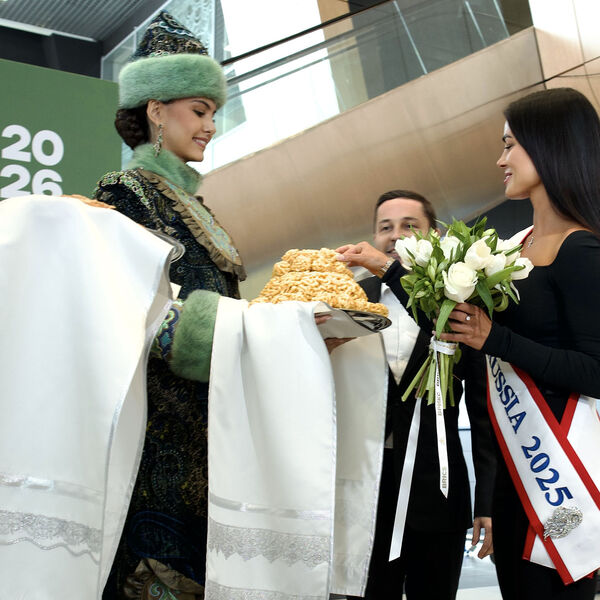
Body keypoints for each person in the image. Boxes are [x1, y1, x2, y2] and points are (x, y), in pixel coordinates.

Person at [94, 12, 245, 599]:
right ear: (156, 110)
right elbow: (130, 308)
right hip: (156, 440)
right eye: (199, 110)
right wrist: (246, 335)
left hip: (205, 436)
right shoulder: (124, 193)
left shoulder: (194, 204)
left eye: (213, 112)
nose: (211, 125)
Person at [438, 87, 600, 599]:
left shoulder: (581, 249)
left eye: (510, 145)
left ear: (549, 146)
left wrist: (496, 338)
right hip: (513, 475)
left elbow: (595, 370)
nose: (500, 159)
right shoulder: (515, 248)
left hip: (560, 471)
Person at [342, 190, 495, 600]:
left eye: (409, 226)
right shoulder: (350, 300)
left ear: (435, 236)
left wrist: (486, 500)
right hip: (366, 494)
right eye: (385, 227)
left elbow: (484, 411)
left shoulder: (458, 304)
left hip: (438, 493)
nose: (395, 235)